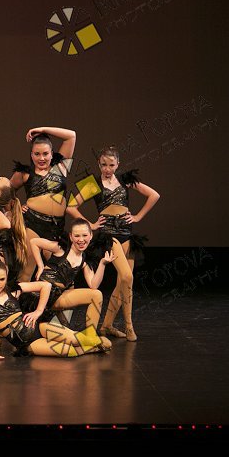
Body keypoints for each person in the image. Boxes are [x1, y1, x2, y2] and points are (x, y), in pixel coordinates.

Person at [76, 146, 160, 341]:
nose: (107, 169)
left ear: (118, 164)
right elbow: (71, 206)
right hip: (109, 235)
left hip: (126, 233)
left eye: (111, 165)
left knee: (123, 282)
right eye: (103, 165)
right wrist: (91, 224)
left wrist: (138, 216)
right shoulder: (93, 183)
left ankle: (106, 325)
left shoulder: (124, 179)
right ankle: (129, 325)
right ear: (98, 164)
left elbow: (154, 195)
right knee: (127, 276)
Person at [0, 260, 111, 357]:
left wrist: (38, 312)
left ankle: (96, 341)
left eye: (2, 279)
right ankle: (95, 347)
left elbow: (46, 286)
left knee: (74, 340)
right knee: (68, 351)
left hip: (39, 327)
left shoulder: (14, 290)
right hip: (28, 343)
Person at [22, 219, 115, 334]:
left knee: (96, 294)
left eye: (85, 235)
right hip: (41, 296)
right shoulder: (60, 249)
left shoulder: (84, 261)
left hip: (58, 297)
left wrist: (102, 264)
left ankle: (90, 335)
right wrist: (40, 265)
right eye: (77, 236)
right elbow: (34, 242)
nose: (81, 240)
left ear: (91, 236)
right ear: (71, 237)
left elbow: (93, 285)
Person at [9, 126, 77, 282]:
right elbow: (6, 193)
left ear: (52, 154)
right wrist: (16, 208)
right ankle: (19, 298)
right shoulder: (25, 174)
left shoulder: (60, 168)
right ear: (31, 155)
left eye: (45, 154)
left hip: (56, 227)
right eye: (37, 154)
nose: (41, 158)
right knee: (27, 270)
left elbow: (71, 136)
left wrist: (42, 129)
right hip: (33, 224)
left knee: (60, 274)